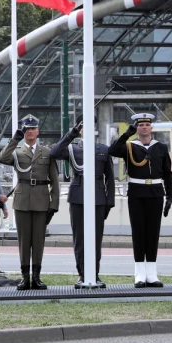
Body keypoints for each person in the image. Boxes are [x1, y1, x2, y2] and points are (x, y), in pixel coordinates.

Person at [106, 112, 172, 289]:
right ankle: (139, 274)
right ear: (137, 127)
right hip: (136, 192)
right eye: (140, 125)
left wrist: (170, 196)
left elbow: (167, 173)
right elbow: (111, 151)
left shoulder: (161, 147)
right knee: (138, 233)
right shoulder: (129, 146)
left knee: (153, 233)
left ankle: (152, 274)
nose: (144, 127)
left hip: (156, 192)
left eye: (147, 124)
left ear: (151, 127)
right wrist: (126, 134)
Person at [0, 114, 59, 291]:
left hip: (41, 200)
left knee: (38, 241)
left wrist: (54, 203)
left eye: (33, 129)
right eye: (27, 129)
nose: (30, 132)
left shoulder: (47, 152)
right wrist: (14, 139)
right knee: (24, 240)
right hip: (22, 200)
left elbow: (54, 179)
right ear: (23, 132)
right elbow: (1, 158)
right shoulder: (17, 153)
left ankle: (37, 277)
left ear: (38, 131)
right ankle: (25, 277)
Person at [52, 119, 115, 284]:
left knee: (96, 239)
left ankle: (94, 275)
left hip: (98, 197)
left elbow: (110, 177)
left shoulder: (103, 149)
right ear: (80, 130)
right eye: (83, 127)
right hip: (78, 196)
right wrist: (71, 134)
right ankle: (82, 274)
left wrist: (109, 202)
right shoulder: (72, 149)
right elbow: (55, 153)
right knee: (79, 239)